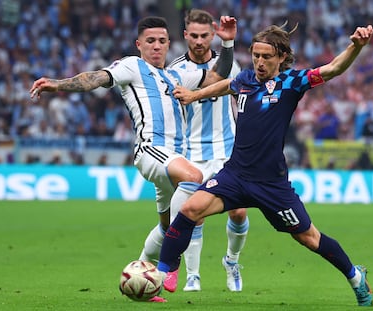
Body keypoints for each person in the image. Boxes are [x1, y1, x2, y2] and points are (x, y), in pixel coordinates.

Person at [158, 23, 373, 306]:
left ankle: (355, 276)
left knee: (309, 238)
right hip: (234, 175)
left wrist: (356, 47)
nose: (260, 62)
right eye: (256, 55)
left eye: (267, 57)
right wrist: (194, 95)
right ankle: (163, 273)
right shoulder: (246, 78)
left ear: (282, 57)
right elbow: (229, 84)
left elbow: (332, 69)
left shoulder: (292, 83)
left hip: (271, 184)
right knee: (189, 209)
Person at [30, 15, 237, 302]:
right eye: (150, 41)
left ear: (169, 44)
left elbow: (217, 77)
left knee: (167, 228)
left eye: (162, 41)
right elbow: (96, 78)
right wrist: (58, 84)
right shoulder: (132, 66)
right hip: (152, 150)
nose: (157, 47)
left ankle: (140, 278)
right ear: (139, 44)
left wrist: (227, 42)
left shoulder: (178, 76)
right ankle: (170, 263)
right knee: (195, 178)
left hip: (175, 157)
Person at [168, 9, 249, 292]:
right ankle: (193, 274)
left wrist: (228, 47)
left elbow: (234, 91)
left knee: (238, 212)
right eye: (194, 36)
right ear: (185, 36)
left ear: (212, 34)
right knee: (195, 213)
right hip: (193, 152)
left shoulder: (232, 65)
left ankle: (232, 261)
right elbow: (215, 81)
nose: (200, 41)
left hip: (228, 150)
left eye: (205, 36)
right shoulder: (175, 71)